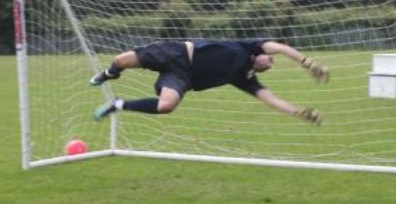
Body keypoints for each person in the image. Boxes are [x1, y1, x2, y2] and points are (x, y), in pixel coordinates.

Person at [90, 40, 329, 125]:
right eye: (271, 60)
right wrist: (308, 63)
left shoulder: (243, 78)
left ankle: (118, 104)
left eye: (271, 66)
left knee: (166, 106)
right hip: (177, 52)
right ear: (262, 54)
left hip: (182, 76)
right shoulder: (251, 47)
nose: (270, 62)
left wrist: (300, 112)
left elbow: (271, 100)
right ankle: (109, 74)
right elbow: (282, 48)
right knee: (120, 60)